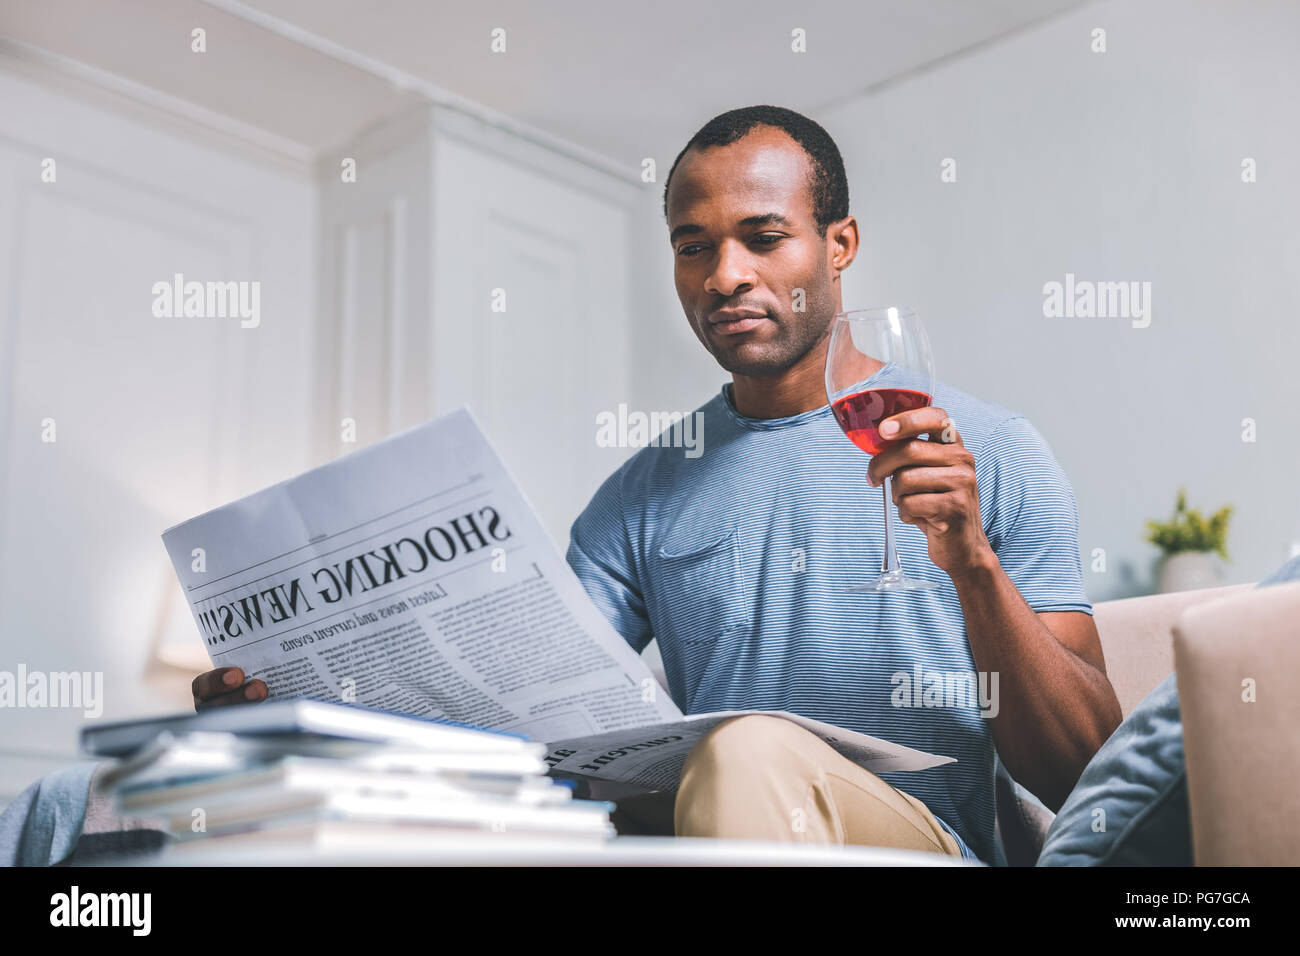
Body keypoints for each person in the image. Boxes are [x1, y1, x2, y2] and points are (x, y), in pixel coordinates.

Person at [193, 105, 1122, 865]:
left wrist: (972, 567)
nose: (726, 277)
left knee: (748, 749)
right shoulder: (636, 497)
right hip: (708, 836)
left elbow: (1084, 770)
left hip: (930, 848)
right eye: (693, 246)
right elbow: (524, 726)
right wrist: (302, 714)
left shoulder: (987, 448)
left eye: (764, 238)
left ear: (839, 244)